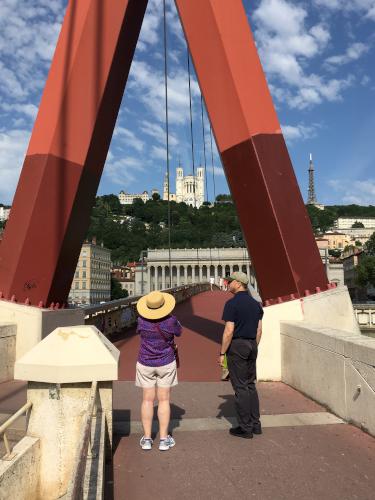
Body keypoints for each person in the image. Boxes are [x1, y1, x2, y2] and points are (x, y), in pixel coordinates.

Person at [218, 271, 263, 439]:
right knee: (251, 385)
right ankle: (256, 424)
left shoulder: (232, 304)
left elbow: (229, 331)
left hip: (237, 346)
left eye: (230, 282)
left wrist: (222, 353)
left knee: (241, 387)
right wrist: (253, 346)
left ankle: (245, 428)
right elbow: (259, 330)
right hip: (252, 344)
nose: (228, 284)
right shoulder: (256, 304)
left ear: (238, 283)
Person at [136, 290, 182, 451]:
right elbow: (179, 332)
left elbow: (139, 332)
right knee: (164, 400)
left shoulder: (141, 320)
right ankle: (163, 439)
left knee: (147, 400)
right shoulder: (171, 321)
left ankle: (147, 439)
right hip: (165, 362)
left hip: (145, 362)